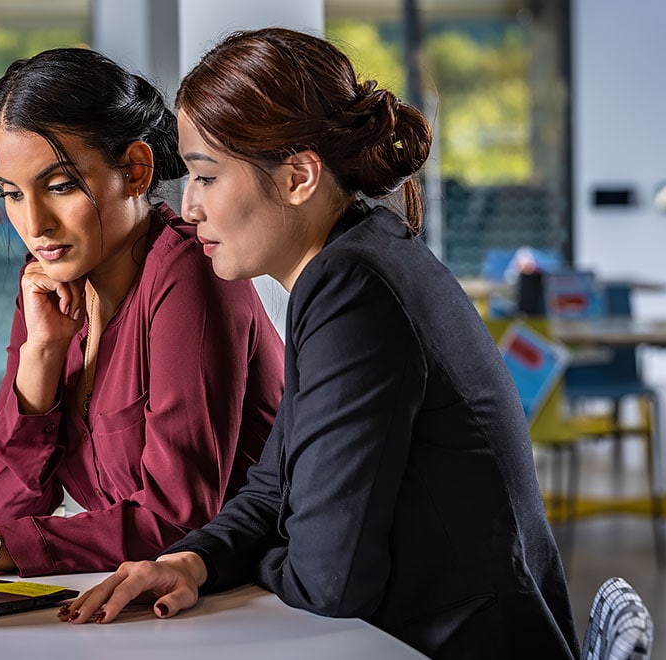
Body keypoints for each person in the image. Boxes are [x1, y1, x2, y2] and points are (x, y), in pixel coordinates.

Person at [60, 28, 580, 659]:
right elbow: (273, 486)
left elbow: (329, 579)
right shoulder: (355, 259)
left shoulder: (354, 289)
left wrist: (260, 557)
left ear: (299, 177)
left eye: (206, 177)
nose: (189, 207)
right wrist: (195, 560)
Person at [0, 48, 284, 578]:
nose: (34, 224)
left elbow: (180, 520)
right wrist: (41, 354)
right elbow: (3, 511)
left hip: (249, 598)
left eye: (59, 187)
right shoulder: (50, 285)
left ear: (134, 170)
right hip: (137, 595)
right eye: (12, 194)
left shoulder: (191, 276)